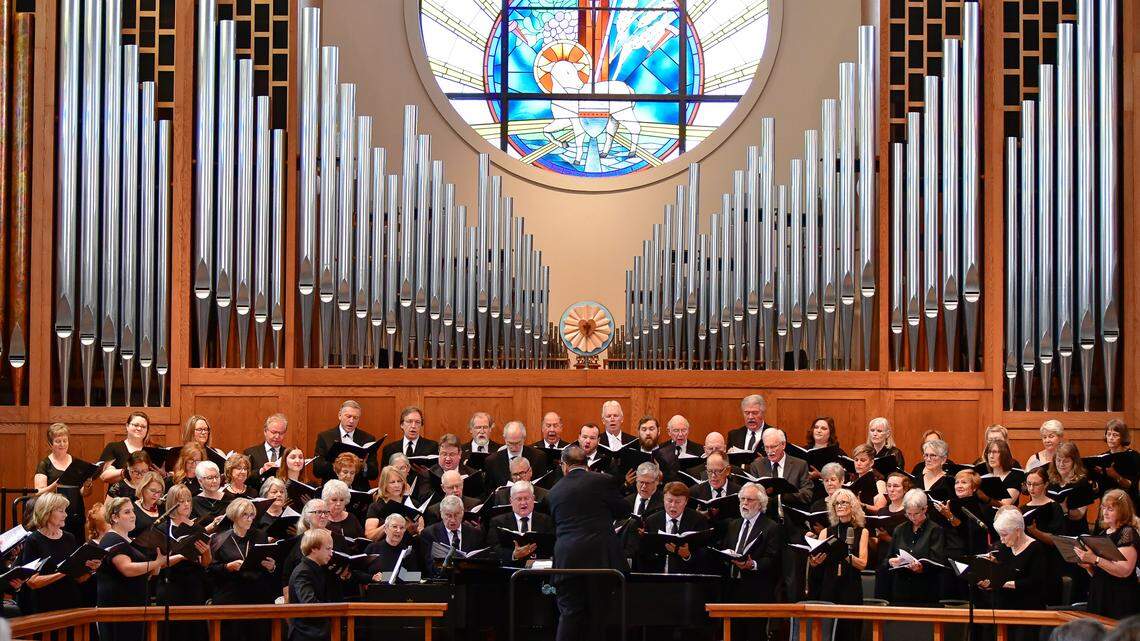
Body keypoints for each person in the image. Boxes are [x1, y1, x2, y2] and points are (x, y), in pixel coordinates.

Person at [546, 445, 630, 641]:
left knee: (569, 615)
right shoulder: (603, 481)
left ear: (564, 466)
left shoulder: (554, 492)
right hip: (600, 559)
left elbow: (555, 522)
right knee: (598, 616)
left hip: (567, 562)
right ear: (588, 464)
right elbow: (624, 510)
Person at [748, 428, 814, 600]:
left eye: (774, 447)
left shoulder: (799, 465)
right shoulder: (757, 466)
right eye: (766, 447)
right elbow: (752, 495)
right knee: (767, 579)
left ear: (783, 445)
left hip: (791, 527)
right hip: (765, 529)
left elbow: (807, 494)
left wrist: (782, 494)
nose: (769, 451)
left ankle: (793, 621)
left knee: (792, 580)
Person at [208, 498, 280, 640]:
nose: (249, 519)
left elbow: (267, 564)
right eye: (244, 515)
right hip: (231, 596)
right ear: (234, 516)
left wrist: (271, 567)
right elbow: (211, 570)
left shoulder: (260, 536)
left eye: (251, 515)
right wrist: (228, 567)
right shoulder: (219, 539)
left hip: (257, 596)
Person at [97, 497, 167, 641]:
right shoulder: (111, 539)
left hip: (135, 604)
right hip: (118, 608)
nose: (133, 515)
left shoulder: (131, 542)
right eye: (127, 512)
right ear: (114, 517)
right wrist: (156, 563)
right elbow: (127, 569)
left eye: (133, 511)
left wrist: (159, 561)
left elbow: (148, 572)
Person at [719, 482, 780, 641]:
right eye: (742, 499)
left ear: (760, 504)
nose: (745, 503)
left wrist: (752, 564)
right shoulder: (734, 524)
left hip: (756, 592)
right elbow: (726, 548)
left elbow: (773, 559)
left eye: (750, 500)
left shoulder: (771, 527)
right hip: (732, 590)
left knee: (754, 635)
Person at [19, 492, 98, 613]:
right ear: (47, 512)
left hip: (71, 602)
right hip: (45, 606)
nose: (66, 515)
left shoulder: (69, 537)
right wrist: (63, 572)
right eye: (61, 511)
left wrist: (90, 569)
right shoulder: (33, 540)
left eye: (65, 511)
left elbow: (79, 579)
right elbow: (32, 582)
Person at [809, 488, 868, 640]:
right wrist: (815, 562)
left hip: (850, 586)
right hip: (829, 584)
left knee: (849, 631)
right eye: (836, 503)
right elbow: (817, 560)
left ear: (853, 506)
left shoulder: (862, 531)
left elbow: (862, 564)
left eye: (844, 502)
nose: (840, 506)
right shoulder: (826, 532)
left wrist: (845, 555)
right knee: (828, 631)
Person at [981, 508, 1048, 641]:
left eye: (1004, 535)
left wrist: (1002, 583)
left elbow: (1036, 582)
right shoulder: (1001, 548)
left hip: (1027, 611)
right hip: (1002, 608)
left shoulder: (1035, 548)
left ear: (1018, 530)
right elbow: (1000, 574)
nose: (1002, 539)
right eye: (1000, 535)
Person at [157, 484, 212, 641]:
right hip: (170, 586)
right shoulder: (163, 528)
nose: (187, 504)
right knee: (173, 632)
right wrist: (182, 556)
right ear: (172, 503)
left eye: (189, 500)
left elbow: (206, 563)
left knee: (194, 631)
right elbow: (158, 563)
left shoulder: (198, 529)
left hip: (193, 586)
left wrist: (206, 551)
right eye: (181, 501)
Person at [1074, 489, 1140, 619]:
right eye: (1103, 507)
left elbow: (1124, 571)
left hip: (1119, 597)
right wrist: (1089, 567)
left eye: (1110, 509)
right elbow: (1102, 572)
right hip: (1100, 594)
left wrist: (1095, 559)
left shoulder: (1127, 532)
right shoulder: (1103, 533)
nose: (1104, 512)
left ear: (1122, 511)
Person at [33, 423, 93, 540]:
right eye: (58, 441)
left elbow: (83, 493)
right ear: (50, 444)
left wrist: (87, 486)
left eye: (65, 441)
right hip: (53, 515)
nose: (62, 444)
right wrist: (56, 485)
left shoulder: (76, 462)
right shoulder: (45, 464)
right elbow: (38, 493)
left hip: (75, 513)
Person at [885, 489, 945, 605]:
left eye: (916, 513)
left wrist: (921, 568)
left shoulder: (935, 530)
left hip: (925, 589)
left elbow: (938, 562)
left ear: (925, 509)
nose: (912, 517)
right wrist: (891, 561)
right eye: (909, 514)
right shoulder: (900, 529)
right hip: (901, 587)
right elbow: (888, 557)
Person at [635, 481, 708, 574]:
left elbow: (704, 553)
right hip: (658, 578)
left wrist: (687, 556)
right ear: (664, 499)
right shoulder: (652, 520)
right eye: (669, 501)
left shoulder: (698, 520)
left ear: (686, 502)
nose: (673, 505)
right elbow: (644, 554)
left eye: (678, 502)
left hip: (687, 579)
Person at [1020, 465, 1067, 606]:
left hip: (1049, 561)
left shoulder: (1054, 507)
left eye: (1036, 484)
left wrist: (1035, 532)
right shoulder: (1024, 508)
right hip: (1029, 560)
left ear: (1045, 484)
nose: (1031, 488)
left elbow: (1057, 540)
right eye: (1028, 484)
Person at [312, 400, 379, 491]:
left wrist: (363, 466)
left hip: (358, 491)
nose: (351, 421)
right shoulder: (325, 437)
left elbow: (374, 474)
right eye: (348, 416)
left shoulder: (368, 439)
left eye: (355, 418)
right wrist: (339, 463)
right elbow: (317, 470)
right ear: (340, 415)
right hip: (332, 491)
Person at [487, 480, 554, 565]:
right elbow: (493, 549)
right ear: (511, 501)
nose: (523, 503)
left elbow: (552, 547)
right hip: (511, 572)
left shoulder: (547, 521)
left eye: (526, 498)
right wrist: (513, 554)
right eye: (519, 499)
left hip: (540, 571)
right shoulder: (498, 522)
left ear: (533, 499)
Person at [288, 528, 336, 641]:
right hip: (306, 634)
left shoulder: (314, 568)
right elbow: (309, 603)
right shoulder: (303, 572)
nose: (331, 553)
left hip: (314, 631)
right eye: (328, 549)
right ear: (314, 548)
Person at [418, 495, 486, 575]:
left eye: (457, 515)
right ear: (441, 514)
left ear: (462, 512)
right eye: (448, 515)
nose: (453, 520)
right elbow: (429, 565)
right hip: (442, 581)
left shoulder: (475, 533)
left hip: (468, 581)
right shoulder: (429, 534)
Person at [365, 466, 425, 540]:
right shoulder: (376, 507)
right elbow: (370, 535)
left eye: (399, 481)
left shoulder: (413, 503)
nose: (397, 485)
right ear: (384, 484)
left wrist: (415, 528)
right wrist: (389, 524)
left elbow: (420, 530)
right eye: (392, 482)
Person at [485, 421, 547, 489]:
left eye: (518, 443)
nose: (514, 447)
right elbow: (488, 491)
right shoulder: (492, 461)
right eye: (510, 443)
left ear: (524, 438)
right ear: (504, 438)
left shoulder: (538, 457)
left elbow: (543, 488)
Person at [1090, 419, 1139, 500]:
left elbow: (1131, 485)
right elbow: (1098, 490)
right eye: (1108, 434)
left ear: (1123, 437)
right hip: (1107, 502)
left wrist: (1115, 475)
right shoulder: (1102, 457)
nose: (1111, 438)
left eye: (1115, 435)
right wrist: (1095, 480)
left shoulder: (1133, 456)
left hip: (1127, 503)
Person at [98, 411, 151, 483]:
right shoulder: (114, 447)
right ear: (127, 426)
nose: (139, 428)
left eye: (143, 426)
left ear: (147, 430)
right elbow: (104, 476)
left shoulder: (154, 449)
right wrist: (126, 471)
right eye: (136, 425)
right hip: (120, 493)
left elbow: (169, 474)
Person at [655, 415, 702, 482]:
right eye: (676, 430)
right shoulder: (660, 450)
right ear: (669, 431)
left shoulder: (699, 450)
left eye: (684, 430)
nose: (680, 434)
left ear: (688, 430)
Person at [979, 439, 1022, 506]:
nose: (991, 456)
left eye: (995, 452)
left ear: (1004, 455)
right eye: (989, 452)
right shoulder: (983, 476)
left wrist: (985, 498)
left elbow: (1005, 505)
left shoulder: (1014, 477)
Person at [847, 444, 888, 511]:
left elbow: (880, 509)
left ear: (871, 462)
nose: (858, 463)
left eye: (862, 460)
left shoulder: (879, 482)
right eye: (856, 460)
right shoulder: (852, 480)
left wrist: (861, 505)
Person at [131, 471, 165, 537]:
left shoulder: (163, 508)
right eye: (152, 490)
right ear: (143, 488)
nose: (156, 495)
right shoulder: (132, 509)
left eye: (159, 492)